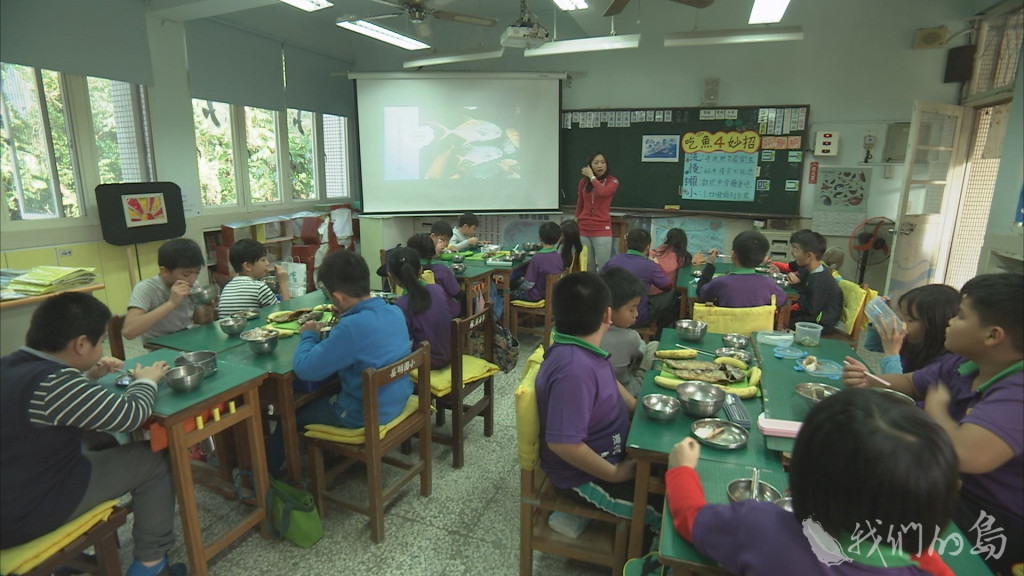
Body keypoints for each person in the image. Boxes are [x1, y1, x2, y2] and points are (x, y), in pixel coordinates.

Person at [666, 388, 959, 575]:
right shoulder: (921, 565)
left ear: (802, 475)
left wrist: (682, 470)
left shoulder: (760, 527)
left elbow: (690, 518)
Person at [842, 273, 1023, 574]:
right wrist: (870, 380)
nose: (950, 321)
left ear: (993, 335)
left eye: (961, 316)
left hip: (989, 520)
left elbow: (967, 455)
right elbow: (911, 383)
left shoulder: (1017, 391)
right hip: (941, 484)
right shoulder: (963, 362)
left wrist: (937, 410)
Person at [0, 293, 184, 576]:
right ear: (82, 344)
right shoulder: (57, 382)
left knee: (103, 441)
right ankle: (151, 565)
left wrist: (87, 376)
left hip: (13, 487)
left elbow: (50, 408)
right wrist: (147, 380)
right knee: (154, 460)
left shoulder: (11, 364)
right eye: (101, 342)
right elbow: (130, 414)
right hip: (24, 512)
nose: (102, 348)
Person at [265, 251, 414, 474]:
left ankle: (264, 479)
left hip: (365, 414)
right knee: (330, 388)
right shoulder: (394, 311)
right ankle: (329, 457)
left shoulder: (350, 328)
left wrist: (309, 335)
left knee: (292, 414)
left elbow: (305, 368)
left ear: (340, 297)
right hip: (397, 399)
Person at [537, 272, 662, 533]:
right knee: (666, 517)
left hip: (615, 452)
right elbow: (563, 443)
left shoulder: (586, 349)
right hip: (585, 477)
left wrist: (639, 409)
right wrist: (615, 474)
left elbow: (613, 385)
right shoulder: (573, 369)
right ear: (608, 315)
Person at [123, 238, 215, 342]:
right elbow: (128, 332)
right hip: (160, 348)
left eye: (197, 273)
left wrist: (208, 312)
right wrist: (171, 303)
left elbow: (199, 321)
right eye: (186, 274)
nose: (192, 279)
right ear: (164, 271)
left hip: (188, 340)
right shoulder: (145, 288)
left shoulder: (193, 285)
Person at [863, 284, 960, 374]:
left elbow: (894, 388)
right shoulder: (912, 340)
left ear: (934, 325)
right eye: (902, 317)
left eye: (909, 319)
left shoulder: (942, 364)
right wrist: (882, 317)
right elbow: (872, 345)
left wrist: (892, 353)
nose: (902, 324)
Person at [389, 247, 457, 370]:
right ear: (421, 270)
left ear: (391, 276)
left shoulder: (400, 306)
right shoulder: (437, 290)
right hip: (450, 355)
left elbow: (401, 345)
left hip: (425, 364)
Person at [599, 267, 657, 398]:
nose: (636, 314)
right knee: (653, 347)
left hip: (602, 390)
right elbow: (639, 351)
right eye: (632, 309)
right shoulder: (630, 337)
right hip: (626, 392)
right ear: (609, 311)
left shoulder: (590, 330)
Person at [600, 229, 672, 329]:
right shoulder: (650, 265)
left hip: (611, 314)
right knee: (671, 294)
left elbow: (599, 280)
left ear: (626, 244)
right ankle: (659, 332)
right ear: (648, 247)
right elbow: (667, 286)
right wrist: (657, 264)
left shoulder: (614, 259)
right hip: (638, 317)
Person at [696, 230, 787, 308]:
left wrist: (710, 265)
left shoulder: (720, 282)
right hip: (758, 328)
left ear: (733, 255)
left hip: (726, 328)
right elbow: (783, 301)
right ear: (762, 258)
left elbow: (701, 293)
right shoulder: (769, 284)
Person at [786, 229, 842, 334]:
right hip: (812, 317)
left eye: (796, 249)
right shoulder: (813, 272)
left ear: (809, 256)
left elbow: (811, 311)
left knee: (781, 321)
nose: (793, 253)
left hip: (819, 324)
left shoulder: (820, 280)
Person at [217, 238, 289, 318]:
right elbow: (285, 315)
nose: (267, 263)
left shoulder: (227, 288)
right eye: (263, 260)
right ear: (247, 266)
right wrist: (283, 283)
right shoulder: (259, 288)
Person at [575, 152, 619, 271]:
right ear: (590, 166)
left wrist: (592, 177)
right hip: (584, 228)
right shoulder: (583, 182)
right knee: (588, 265)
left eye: (603, 162)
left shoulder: (613, 181)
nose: (600, 166)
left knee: (604, 265)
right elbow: (580, 202)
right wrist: (576, 219)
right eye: (596, 163)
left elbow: (603, 193)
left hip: (601, 229)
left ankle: (604, 289)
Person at [407, 233, 461, 317]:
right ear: (432, 249)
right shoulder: (441, 269)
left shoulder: (405, 269)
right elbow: (456, 292)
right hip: (444, 315)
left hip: (412, 313)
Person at [511, 221, 564, 302]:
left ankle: (505, 314)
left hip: (536, 296)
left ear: (539, 238)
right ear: (559, 239)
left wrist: (518, 287)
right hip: (553, 296)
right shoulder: (559, 256)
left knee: (507, 291)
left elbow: (528, 285)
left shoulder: (537, 258)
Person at [649, 228, 692, 296]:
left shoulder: (652, 253)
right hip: (666, 296)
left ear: (666, 239)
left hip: (645, 295)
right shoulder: (681, 258)